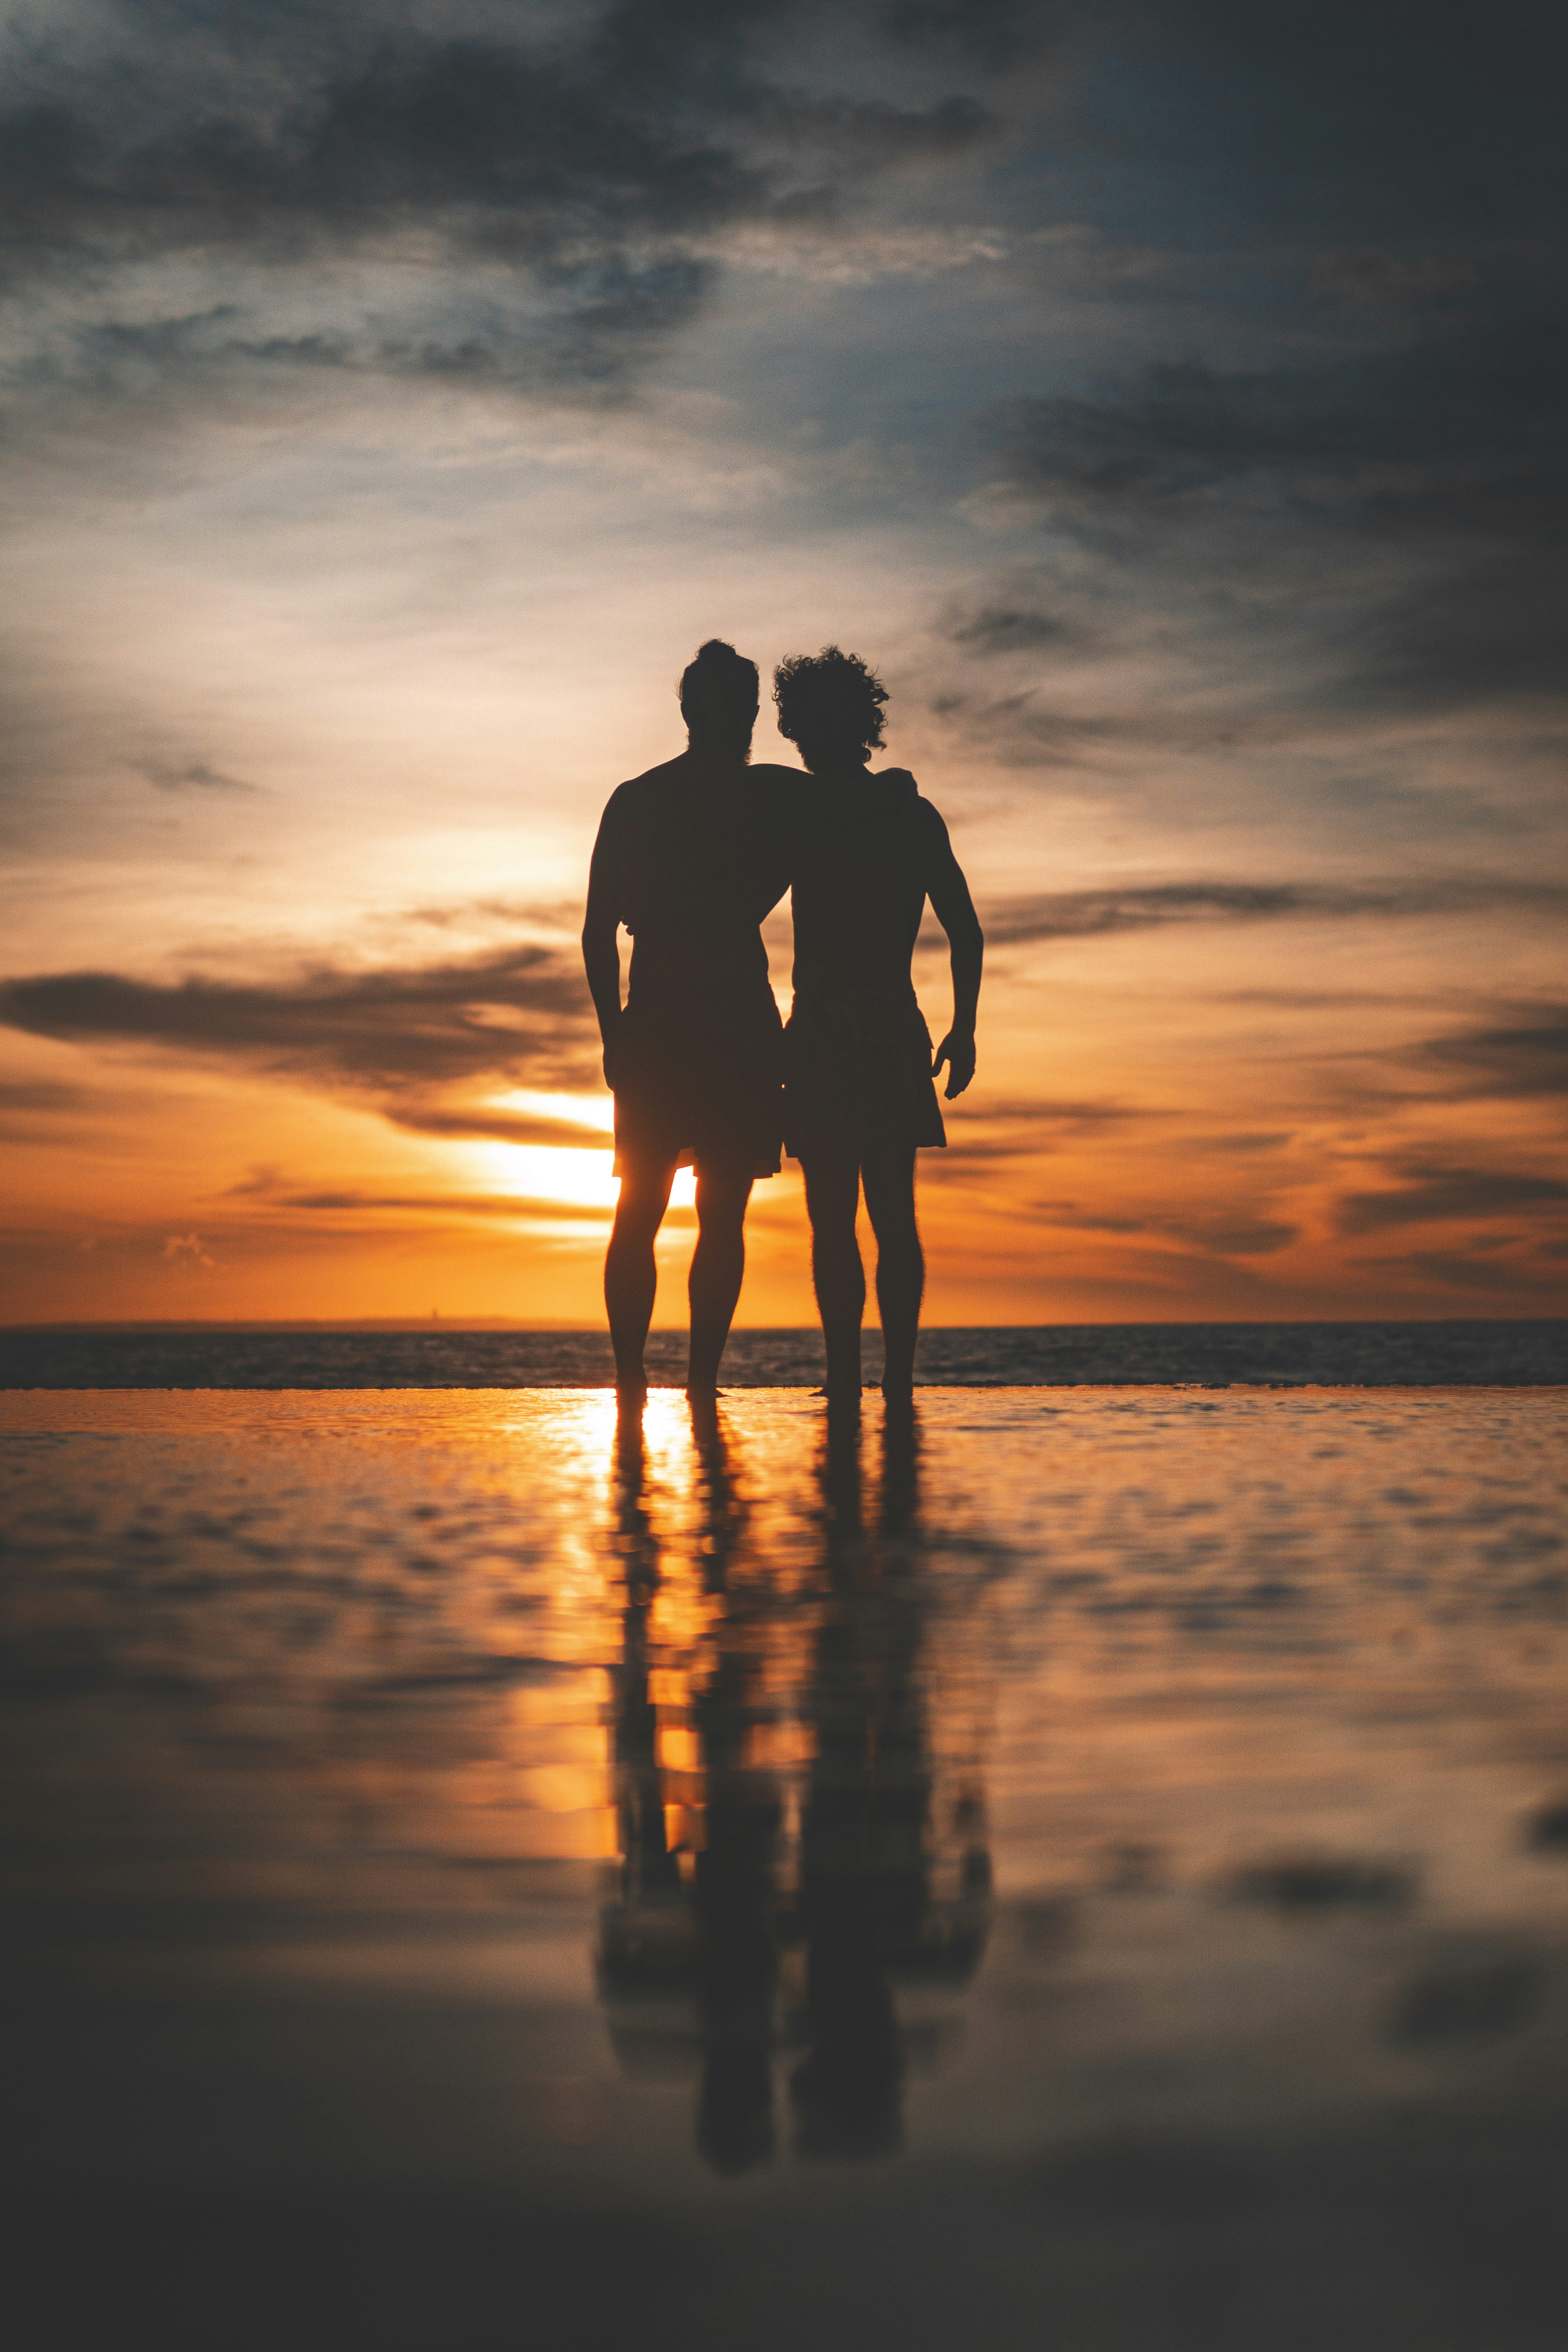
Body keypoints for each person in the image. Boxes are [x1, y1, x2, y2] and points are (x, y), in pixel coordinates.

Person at [582, 641, 795, 1402]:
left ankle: (686, 1380)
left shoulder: (765, 795)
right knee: (651, 1207)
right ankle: (640, 1377)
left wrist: (616, 1033)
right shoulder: (654, 799)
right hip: (681, 1021)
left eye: (743, 710)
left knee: (702, 1210)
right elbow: (596, 928)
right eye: (734, 709)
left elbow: (598, 929)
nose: (739, 722)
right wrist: (614, 1035)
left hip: (715, 1019)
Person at [773, 646, 982, 1408]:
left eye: (805, 728)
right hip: (856, 1029)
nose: (800, 743)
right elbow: (964, 929)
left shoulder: (841, 812)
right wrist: (960, 1027)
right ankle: (863, 1378)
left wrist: (964, 1028)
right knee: (862, 1216)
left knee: (863, 1216)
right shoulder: (894, 810)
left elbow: (964, 927)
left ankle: (876, 1379)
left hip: (854, 1029)